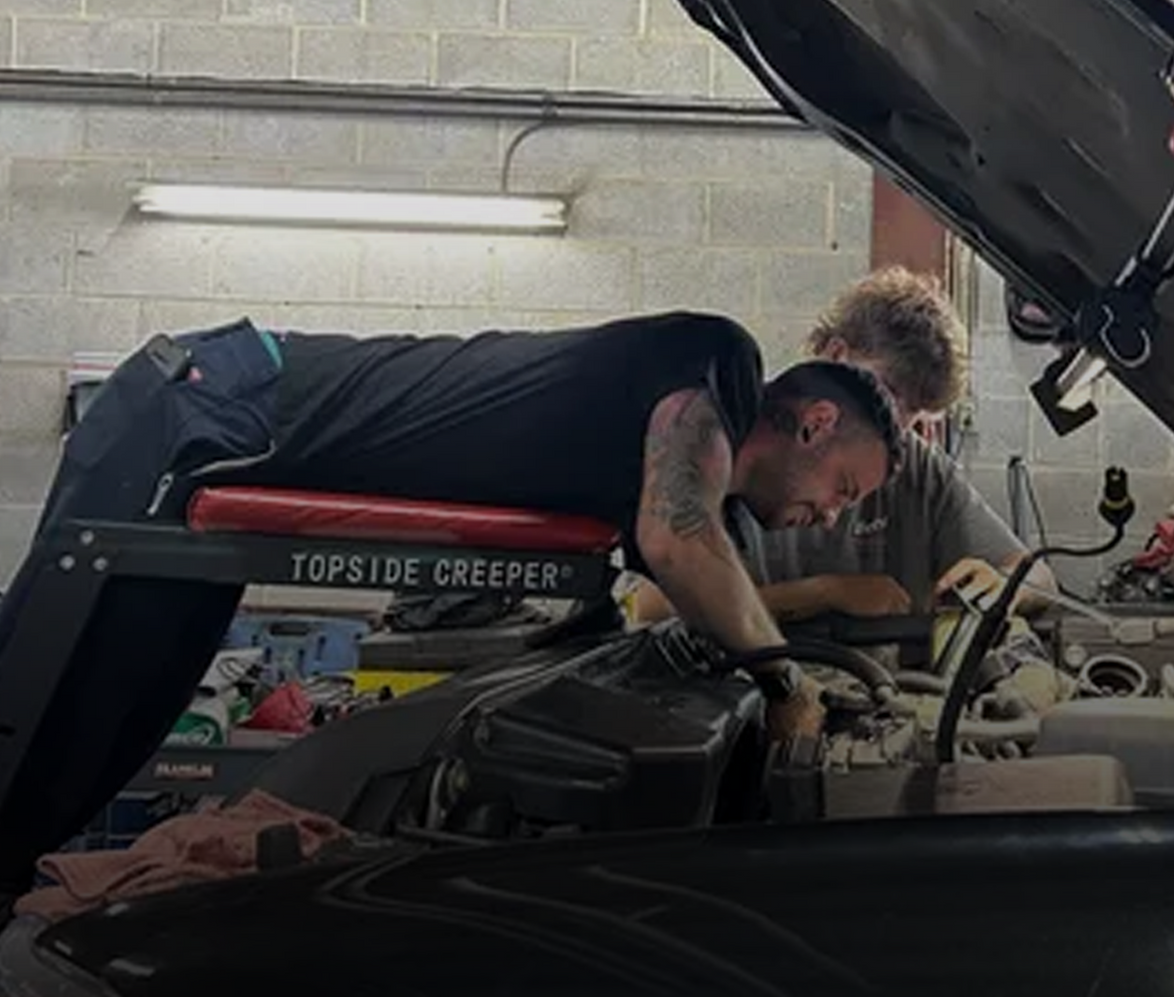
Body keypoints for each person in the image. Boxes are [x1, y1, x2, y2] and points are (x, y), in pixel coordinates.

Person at [0, 312, 901, 885]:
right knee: (47, 727)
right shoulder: (716, 365)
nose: (829, 513)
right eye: (846, 487)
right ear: (815, 424)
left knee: (96, 744)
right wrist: (790, 687)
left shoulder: (724, 510)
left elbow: (688, 590)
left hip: (218, 435)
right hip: (209, 407)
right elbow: (676, 540)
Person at [624, 267, 1054, 629]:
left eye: (916, 414)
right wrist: (823, 595)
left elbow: (1040, 578)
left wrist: (1004, 586)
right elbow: (649, 608)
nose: (899, 427)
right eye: (888, 395)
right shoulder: (726, 445)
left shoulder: (917, 470)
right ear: (834, 355)